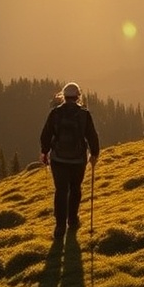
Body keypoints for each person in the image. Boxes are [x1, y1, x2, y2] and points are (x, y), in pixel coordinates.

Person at [39, 82, 100, 239]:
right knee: (75, 189)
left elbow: (46, 134)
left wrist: (44, 152)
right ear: (78, 96)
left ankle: (59, 227)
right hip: (78, 159)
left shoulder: (55, 113)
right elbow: (92, 135)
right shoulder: (84, 114)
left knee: (61, 191)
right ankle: (73, 220)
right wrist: (94, 154)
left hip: (58, 159)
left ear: (64, 96)